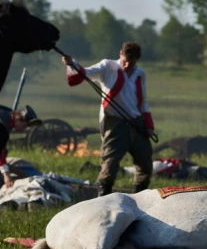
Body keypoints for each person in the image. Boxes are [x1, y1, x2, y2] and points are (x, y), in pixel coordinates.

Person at [61, 42, 154, 196]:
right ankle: (103, 198)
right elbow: (85, 73)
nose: (126, 65)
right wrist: (72, 64)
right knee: (109, 166)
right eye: (124, 61)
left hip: (137, 123)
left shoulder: (140, 73)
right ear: (120, 54)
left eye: (131, 63)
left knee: (145, 166)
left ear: (136, 60)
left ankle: (140, 197)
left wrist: (149, 124)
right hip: (115, 123)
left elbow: (143, 101)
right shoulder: (107, 67)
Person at [0, 105, 39, 194]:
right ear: (18, 118)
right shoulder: (2, 121)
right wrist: (6, 175)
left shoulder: (6, 119)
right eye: (24, 125)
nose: (23, 129)